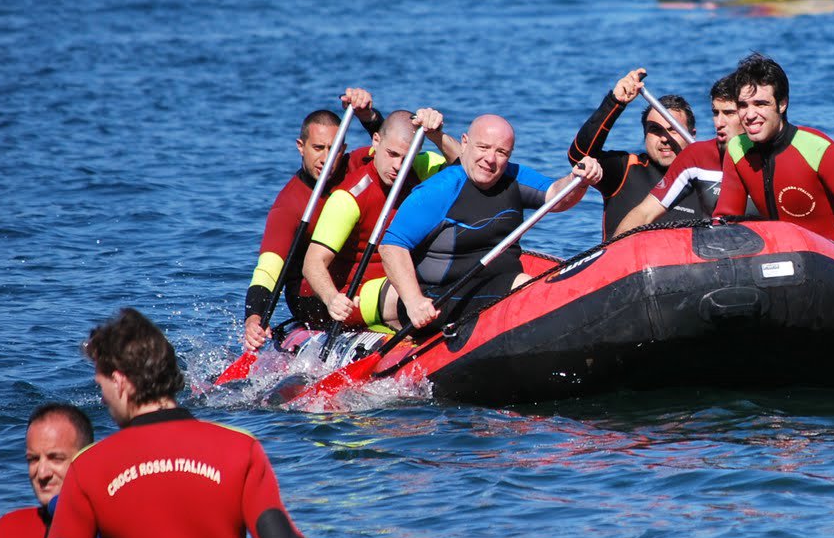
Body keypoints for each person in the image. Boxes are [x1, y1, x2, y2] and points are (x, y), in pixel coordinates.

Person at [3, 309, 341, 538]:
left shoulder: (87, 468)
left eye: (100, 384)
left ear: (119, 381)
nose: (102, 397)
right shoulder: (241, 448)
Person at [378, 115, 603, 328]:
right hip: (437, 297)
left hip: (493, 286)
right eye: (483, 147)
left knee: (533, 284)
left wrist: (578, 180)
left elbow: (556, 197)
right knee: (522, 284)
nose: (490, 159)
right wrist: (414, 301)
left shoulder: (513, 177)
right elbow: (392, 247)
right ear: (464, 143)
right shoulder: (439, 190)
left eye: (501, 152)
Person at [713, 53, 834, 275]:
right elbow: (725, 220)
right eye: (743, 105)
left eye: (761, 104)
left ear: (782, 104)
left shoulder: (817, 149)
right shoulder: (737, 150)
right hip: (780, 270)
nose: (750, 114)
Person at [243, 88, 383, 352]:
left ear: (343, 149)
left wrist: (369, 116)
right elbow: (269, 269)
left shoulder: (357, 165)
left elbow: (393, 148)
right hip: (313, 299)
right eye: (318, 148)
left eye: (333, 149)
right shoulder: (289, 204)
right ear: (301, 147)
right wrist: (254, 318)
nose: (326, 158)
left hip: (358, 282)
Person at [301, 108, 460, 334]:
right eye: (392, 154)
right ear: (376, 141)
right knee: (414, 291)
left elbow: (466, 166)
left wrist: (437, 135)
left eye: (407, 158)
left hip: (400, 284)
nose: (398, 166)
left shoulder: (419, 168)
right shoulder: (348, 198)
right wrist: (332, 298)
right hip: (351, 296)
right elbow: (312, 263)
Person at [0, 404, 116, 538]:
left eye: (56, 458)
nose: (42, 473)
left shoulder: (118, 532)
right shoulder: (5, 530)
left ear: (88, 459)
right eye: (33, 459)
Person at [568, 68, 703, 239]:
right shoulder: (625, 170)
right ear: (645, 135)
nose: (664, 138)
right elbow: (579, 157)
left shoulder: (707, 179)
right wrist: (615, 102)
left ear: (692, 135)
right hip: (625, 263)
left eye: (673, 130)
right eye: (655, 130)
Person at [614, 73, 751, 236]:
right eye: (715, 113)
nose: (718, 123)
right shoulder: (697, 156)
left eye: (729, 113)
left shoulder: (778, 154)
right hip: (720, 249)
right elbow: (644, 214)